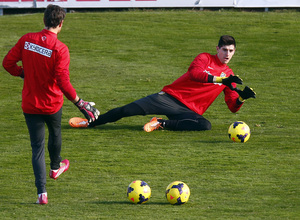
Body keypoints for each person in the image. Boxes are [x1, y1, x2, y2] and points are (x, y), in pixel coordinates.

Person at [2, 4, 100, 205]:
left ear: (44, 20)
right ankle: (56, 168)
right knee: (55, 133)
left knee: (36, 147)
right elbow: (63, 82)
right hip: (52, 104)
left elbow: (7, 63)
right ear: (61, 24)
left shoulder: (27, 39)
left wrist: (23, 73)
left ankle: (42, 194)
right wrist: (81, 103)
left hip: (30, 105)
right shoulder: (60, 49)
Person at [71, 35, 255, 132]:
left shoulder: (230, 76)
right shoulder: (205, 58)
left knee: (204, 126)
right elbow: (195, 73)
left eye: (231, 51)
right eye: (224, 50)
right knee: (126, 110)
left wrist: (241, 98)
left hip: (188, 111)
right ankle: (90, 123)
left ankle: (160, 124)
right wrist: (221, 80)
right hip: (169, 98)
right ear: (217, 49)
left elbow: (232, 107)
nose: (228, 54)